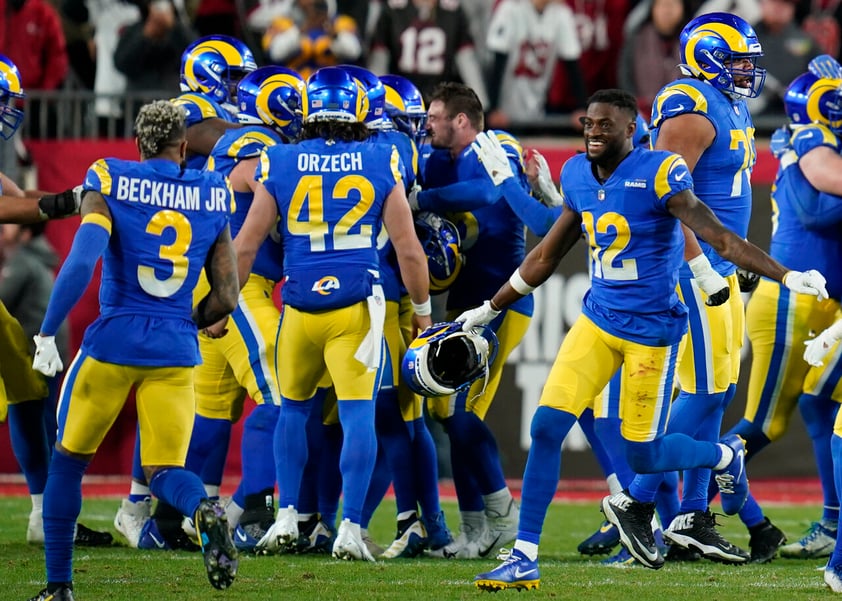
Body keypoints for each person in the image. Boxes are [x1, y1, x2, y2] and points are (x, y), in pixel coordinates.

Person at [457, 89, 828, 589]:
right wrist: (488, 307)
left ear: (632, 130)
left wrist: (784, 276)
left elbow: (718, 234)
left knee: (643, 457)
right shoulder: (576, 174)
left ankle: (723, 455)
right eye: (588, 123)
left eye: (605, 125)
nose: (593, 132)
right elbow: (546, 255)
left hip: (651, 334)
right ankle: (524, 556)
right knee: (547, 426)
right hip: (597, 321)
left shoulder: (660, 172)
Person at [27, 99, 240, 601]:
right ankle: (201, 510)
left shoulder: (111, 178)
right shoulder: (212, 191)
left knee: (67, 462)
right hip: (174, 351)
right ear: (184, 146)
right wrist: (185, 324)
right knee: (165, 471)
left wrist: (46, 332)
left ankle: (59, 586)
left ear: (139, 144)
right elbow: (228, 294)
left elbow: (82, 261)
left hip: (112, 343)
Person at [232, 66, 433, 561]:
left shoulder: (277, 160)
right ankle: (349, 526)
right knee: (357, 413)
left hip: (298, 306)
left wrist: (221, 304)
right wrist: (423, 314)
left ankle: (285, 518)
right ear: (361, 110)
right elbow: (408, 250)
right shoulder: (380, 158)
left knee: (293, 412)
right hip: (356, 307)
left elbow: (245, 245)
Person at [631, 11, 783, 564]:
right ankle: (635, 502)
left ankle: (692, 515)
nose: (748, 72)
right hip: (689, 272)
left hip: (719, 270)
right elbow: (665, 198)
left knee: (715, 392)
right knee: (699, 393)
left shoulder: (727, 103)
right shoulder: (689, 107)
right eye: (739, 61)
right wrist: (698, 269)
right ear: (710, 58)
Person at [113, 34, 258, 550]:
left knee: (184, 394)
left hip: (193, 254)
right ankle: (136, 502)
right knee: (165, 381)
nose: (243, 90)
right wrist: (268, 123)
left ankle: (151, 505)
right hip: (180, 264)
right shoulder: (190, 110)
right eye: (237, 79)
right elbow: (215, 136)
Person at [722, 68, 842, 562]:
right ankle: (666, 506)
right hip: (793, 297)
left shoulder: (809, 141)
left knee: (820, 406)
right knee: (765, 424)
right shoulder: (807, 140)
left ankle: (833, 523)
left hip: (822, 302)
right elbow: (817, 210)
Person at [411, 82, 532, 560]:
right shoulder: (443, 157)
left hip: (501, 301)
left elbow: (486, 191)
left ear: (462, 120)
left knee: (462, 416)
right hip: (467, 304)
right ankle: (473, 529)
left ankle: (503, 517)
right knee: (447, 415)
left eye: (436, 117)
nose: (429, 125)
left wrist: (423, 201)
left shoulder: (493, 146)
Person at [484, 0, 585, 130]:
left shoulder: (561, 13)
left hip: (537, 109)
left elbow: (572, 66)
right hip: (504, 113)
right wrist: (493, 108)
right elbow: (496, 63)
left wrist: (582, 108)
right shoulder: (510, 8)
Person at [368, 0, 489, 106]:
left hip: (440, 98)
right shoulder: (393, 9)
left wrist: (480, 102)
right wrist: (373, 97)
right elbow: (379, 59)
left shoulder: (453, 10)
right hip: (399, 97)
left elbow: (466, 59)